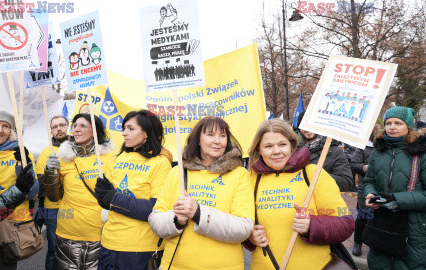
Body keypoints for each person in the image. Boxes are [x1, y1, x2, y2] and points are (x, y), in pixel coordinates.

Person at [246, 118, 354, 269]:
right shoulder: (249, 179)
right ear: (259, 149)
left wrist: (311, 225)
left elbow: (346, 223)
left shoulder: (313, 174)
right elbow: (238, 223)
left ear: (292, 145)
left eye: (282, 144)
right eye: (268, 146)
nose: (276, 151)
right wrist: (249, 237)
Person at [149, 116, 254, 270]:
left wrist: (198, 212)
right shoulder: (177, 172)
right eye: (210, 135)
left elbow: (244, 228)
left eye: (222, 136)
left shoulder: (239, 174)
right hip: (175, 265)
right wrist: (176, 220)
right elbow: (155, 219)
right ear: (198, 140)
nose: (217, 141)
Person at [94, 110, 172, 270]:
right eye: (124, 128)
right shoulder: (115, 159)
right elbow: (106, 203)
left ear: (146, 133)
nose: (124, 133)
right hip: (108, 243)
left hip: (140, 248)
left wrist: (113, 199)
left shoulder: (160, 163)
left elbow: (155, 209)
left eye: (130, 128)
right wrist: (102, 196)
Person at [44, 113, 114, 270]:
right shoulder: (63, 157)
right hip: (67, 234)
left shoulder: (111, 158)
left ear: (95, 130)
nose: (76, 129)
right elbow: (54, 196)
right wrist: (50, 172)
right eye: (74, 125)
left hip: (101, 234)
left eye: (83, 125)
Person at [363, 106, 426, 269]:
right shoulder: (377, 152)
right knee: (379, 264)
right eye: (388, 123)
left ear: (408, 127)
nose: (392, 127)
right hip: (381, 222)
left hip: (413, 227)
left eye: (398, 123)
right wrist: (370, 195)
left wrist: (395, 200)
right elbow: (369, 180)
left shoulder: (421, 154)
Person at [0, 109, 39, 270]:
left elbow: (33, 194)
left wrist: (25, 167)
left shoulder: (20, 152)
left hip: (12, 226)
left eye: (5, 126)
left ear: (11, 131)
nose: (0, 130)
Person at [34, 115, 70, 270]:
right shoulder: (46, 153)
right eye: (55, 127)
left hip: (77, 205)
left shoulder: (79, 148)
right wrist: (51, 173)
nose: (59, 129)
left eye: (62, 125)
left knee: (75, 248)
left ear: (69, 127)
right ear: (51, 131)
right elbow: (40, 186)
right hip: (53, 208)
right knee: (55, 249)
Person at [296, 111, 353, 191]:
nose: (308, 129)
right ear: (299, 127)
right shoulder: (291, 151)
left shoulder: (334, 151)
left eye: (312, 124)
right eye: (305, 125)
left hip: (323, 201)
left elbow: (346, 183)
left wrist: (319, 176)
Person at [350, 123, 381, 256]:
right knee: (363, 216)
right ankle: (358, 243)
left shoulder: (383, 147)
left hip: (382, 187)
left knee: (378, 217)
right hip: (365, 188)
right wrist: (365, 167)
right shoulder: (362, 148)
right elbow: (354, 165)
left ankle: (375, 245)